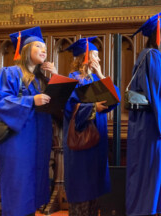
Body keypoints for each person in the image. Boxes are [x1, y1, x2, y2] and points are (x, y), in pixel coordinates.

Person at [0, 26, 57, 216]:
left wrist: (56, 78)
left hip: (38, 141)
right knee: (18, 188)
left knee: (33, 190)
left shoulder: (40, 81)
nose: (44, 50)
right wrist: (30, 100)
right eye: (38, 46)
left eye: (45, 47)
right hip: (17, 141)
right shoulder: (9, 73)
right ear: (26, 49)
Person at [126, 10, 161, 216]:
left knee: (143, 176)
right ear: (160, 34)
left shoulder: (143, 56)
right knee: (150, 176)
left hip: (143, 124)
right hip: (152, 126)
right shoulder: (154, 56)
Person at [62, 37, 120, 216]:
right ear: (84, 58)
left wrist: (102, 75)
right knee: (81, 192)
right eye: (96, 55)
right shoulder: (71, 80)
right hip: (80, 145)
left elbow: (114, 100)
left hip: (97, 143)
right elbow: (68, 110)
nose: (99, 59)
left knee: (95, 193)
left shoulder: (96, 79)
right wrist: (93, 107)